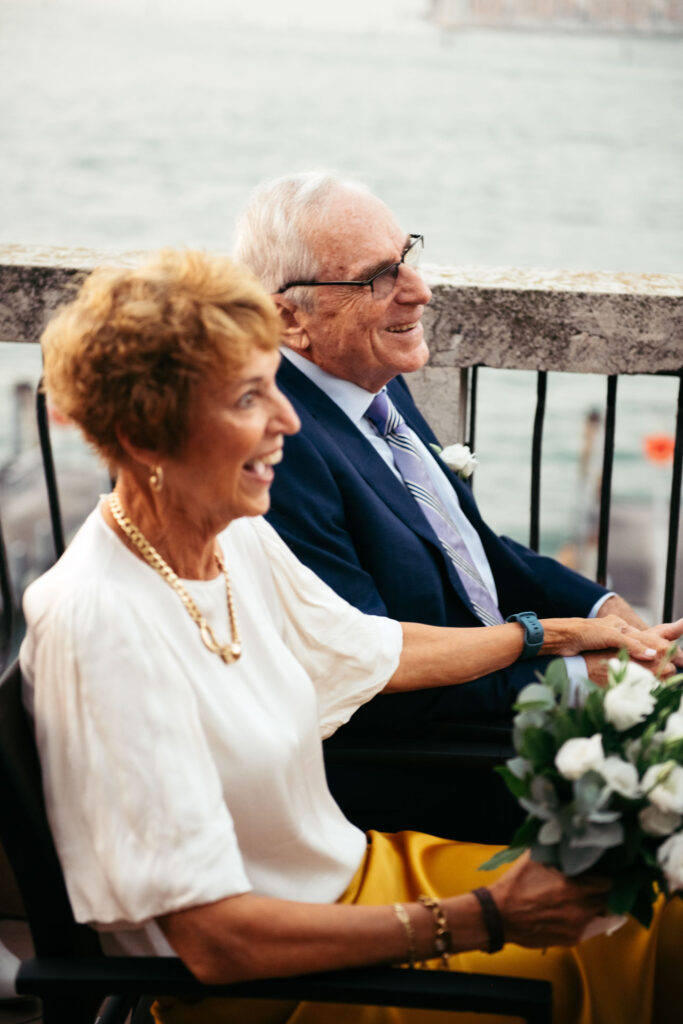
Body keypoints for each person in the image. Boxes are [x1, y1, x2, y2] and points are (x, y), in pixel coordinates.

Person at [20, 249, 681, 1024]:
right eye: (247, 399)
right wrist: (488, 917)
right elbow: (214, 944)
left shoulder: (231, 540)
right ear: (143, 437)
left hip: (358, 876)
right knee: (653, 930)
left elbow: (376, 652)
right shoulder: (104, 624)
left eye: (275, 385)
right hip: (288, 985)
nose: (290, 421)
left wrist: (559, 633)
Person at [232, 171, 682, 742]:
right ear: (291, 319)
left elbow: (472, 550)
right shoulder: (279, 452)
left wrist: (601, 608)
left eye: (405, 255)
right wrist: (574, 674)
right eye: (376, 278)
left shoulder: (373, 377)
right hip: (426, 755)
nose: (419, 290)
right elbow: (367, 676)